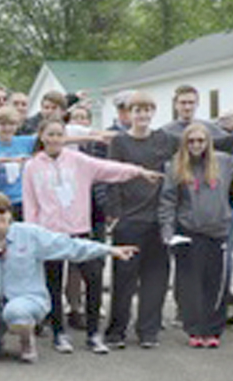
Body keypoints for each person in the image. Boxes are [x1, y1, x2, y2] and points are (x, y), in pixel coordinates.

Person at [22, 116, 159, 353]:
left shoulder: (78, 161)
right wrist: (32, 235)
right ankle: (59, 333)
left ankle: (94, 333)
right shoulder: (32, 166)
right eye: (50, 134)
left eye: (59, 134)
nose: (55, 139)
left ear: (65, 137)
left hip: (79, 231)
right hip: (49, 235)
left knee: (93, 280)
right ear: (42, 137)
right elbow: (30, 203)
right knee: (53, 285)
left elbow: (108, 169)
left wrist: (138, 172)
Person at [0, 192, 136, 363]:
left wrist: (109, 250)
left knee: (15, 311)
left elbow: (70, 246)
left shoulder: (29, 234)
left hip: (27, 300)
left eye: (1, 211)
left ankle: (27, 342)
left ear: (10, 212)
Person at [160, 123, 233, 347]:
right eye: (191, 141)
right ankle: (194, 330)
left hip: (218, 232)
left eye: (201, 141)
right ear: (185, 143)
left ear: (208, 143)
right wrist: (167, 232)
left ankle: (212, 330)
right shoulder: (175, 166)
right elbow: (167, 202)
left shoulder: (224, 161)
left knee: (215, 284)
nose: (196, 145)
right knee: (190, 285)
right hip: (188, 232)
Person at [104, 91, 179, 350]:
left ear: (153, 112)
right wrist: (114, 213)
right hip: (129, 220)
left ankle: (148, 331)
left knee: (156, 279)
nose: (143, 115)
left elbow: (196, 145)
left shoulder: (165, 139)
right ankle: (116, 331)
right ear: (129, 114)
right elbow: (112, 177)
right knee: (124, 279)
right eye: (138, 110)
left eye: (147, 110)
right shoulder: (119, 142)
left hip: (159, 219)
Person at [162, 84, 233, 153]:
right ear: (175, 105)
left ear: (197, 104)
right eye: (183, 103)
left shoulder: (212, 129)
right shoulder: (165, 132)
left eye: (191, 102)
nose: (187, 107)